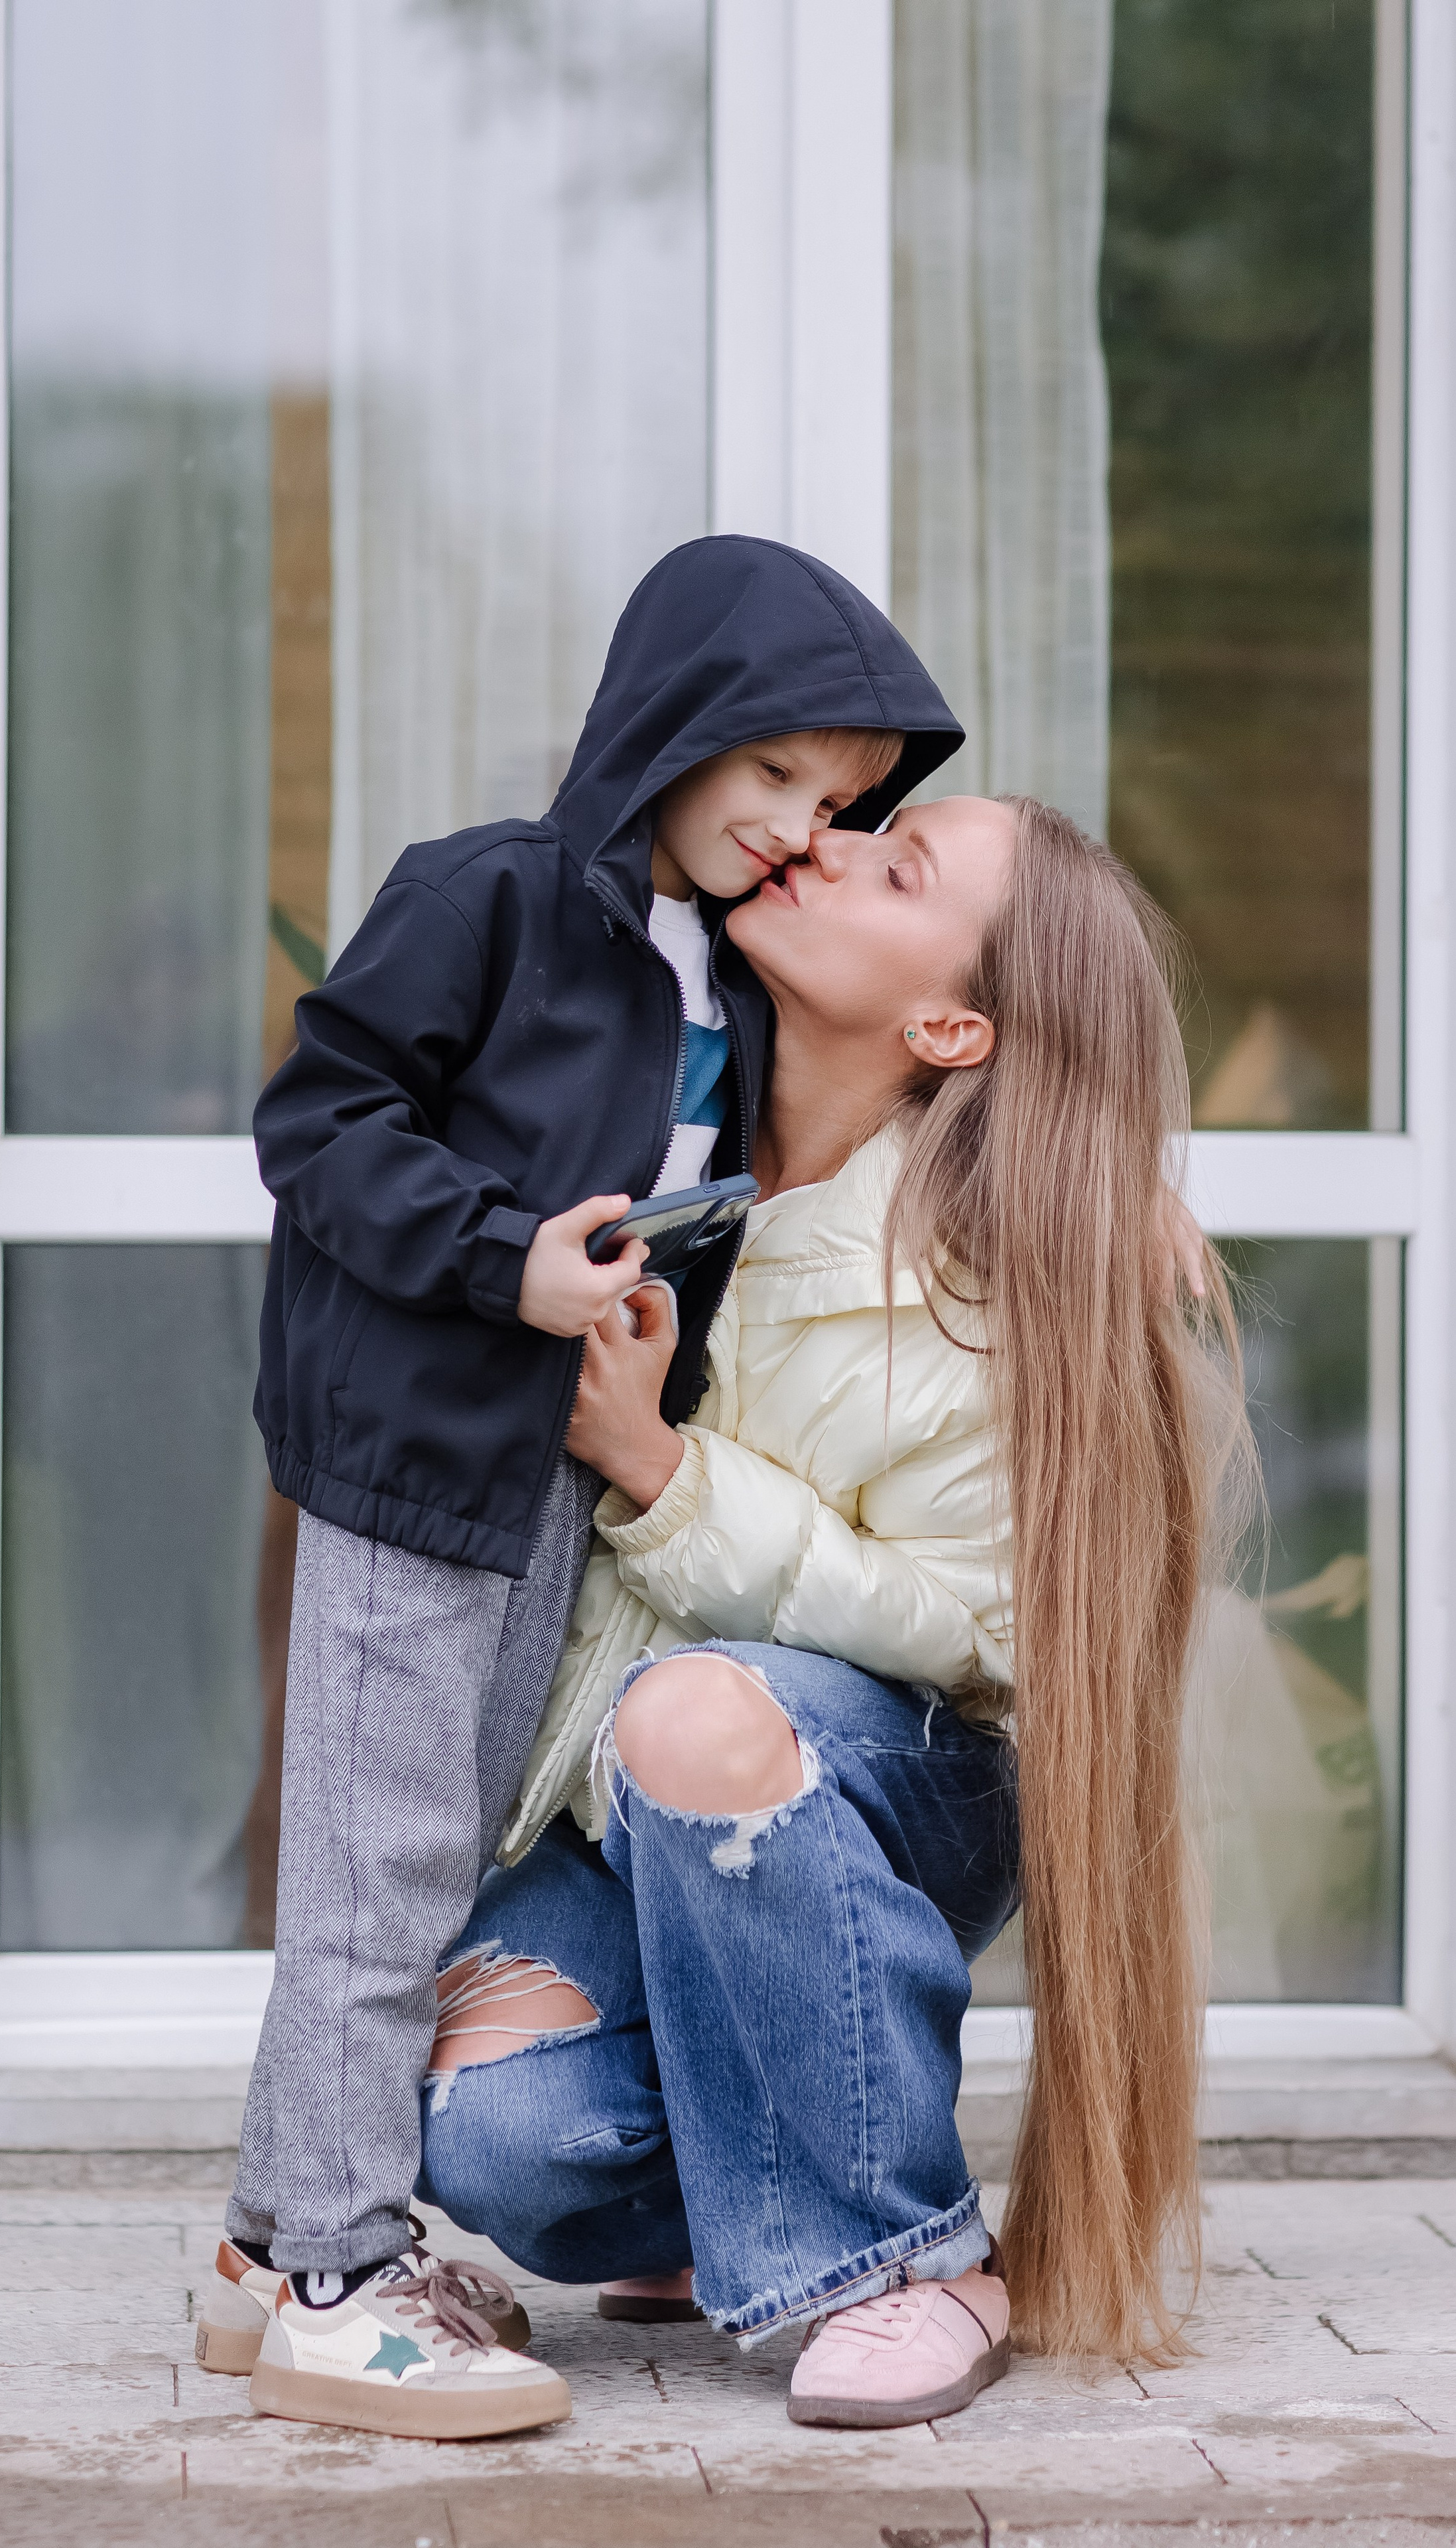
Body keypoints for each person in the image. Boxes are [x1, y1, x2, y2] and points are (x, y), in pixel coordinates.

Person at [198, 535, 965, 2437]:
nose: (800, 833)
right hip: (410, 1463)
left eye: (845, 805)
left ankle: (258, 2248)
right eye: (774, 777)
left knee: (428, 1867)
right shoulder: (497, 900)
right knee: (375, 1881)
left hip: (540, 1481)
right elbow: (322, 1123)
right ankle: (325, 2282)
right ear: (673, 727)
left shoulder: (727, 968)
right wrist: (503, 1261)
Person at [417, 794, 1248, 2427]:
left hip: (892, 1782)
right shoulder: (670, 1142)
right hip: (630, 1800)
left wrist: (662, 1478)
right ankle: (744, 2200)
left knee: (698, 1712)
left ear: (949, 1021)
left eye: (898, 862)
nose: (822, 842)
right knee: (493, 2131)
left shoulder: (978, 1284)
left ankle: (902, 2259)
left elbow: (992, 1629)